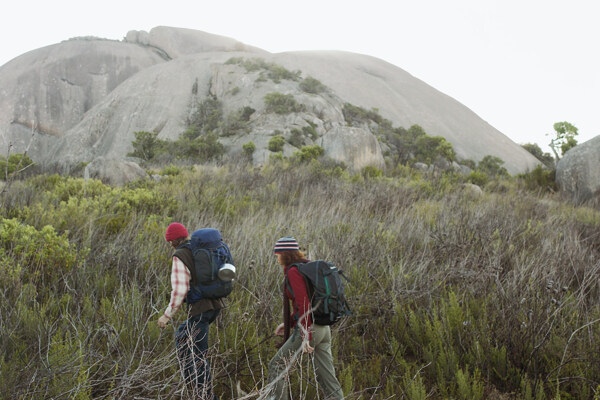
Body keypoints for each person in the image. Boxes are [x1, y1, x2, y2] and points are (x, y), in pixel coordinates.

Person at [265, 236, 344, 400]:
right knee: (327, 377)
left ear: (284, 254)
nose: (277, 258)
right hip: (323, 329)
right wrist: (289, 322)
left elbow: (304, 303)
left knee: (277, 365)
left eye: (277, 254)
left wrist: (305, 335)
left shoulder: (294, 272)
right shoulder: (307, 267)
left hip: (311, 330)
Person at [158, 222, 223, 399]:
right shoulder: (199, 250)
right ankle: (194, 389)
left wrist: (166, 315)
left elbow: (180, 290)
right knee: (182, 338)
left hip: (199, 310)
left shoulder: (180, 256)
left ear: (172, 241)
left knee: (199, 357)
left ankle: (205, 396)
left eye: (169, 241)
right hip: (213, 306)